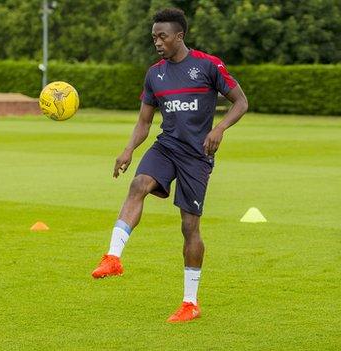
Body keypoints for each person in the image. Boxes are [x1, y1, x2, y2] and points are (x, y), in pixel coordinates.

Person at [91, 8, 248, 323]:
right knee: (138, 185)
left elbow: (241, 102)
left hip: (197, 155)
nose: (157, 42)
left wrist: (219, 129)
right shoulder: (154, 74)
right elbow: (144, 122)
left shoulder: (208, 65)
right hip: (166, 146)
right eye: (153, 37)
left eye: (162, 36)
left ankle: (190, 303)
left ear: (180, 36)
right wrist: (127, 150)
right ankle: (113, 257)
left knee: (189, 226)